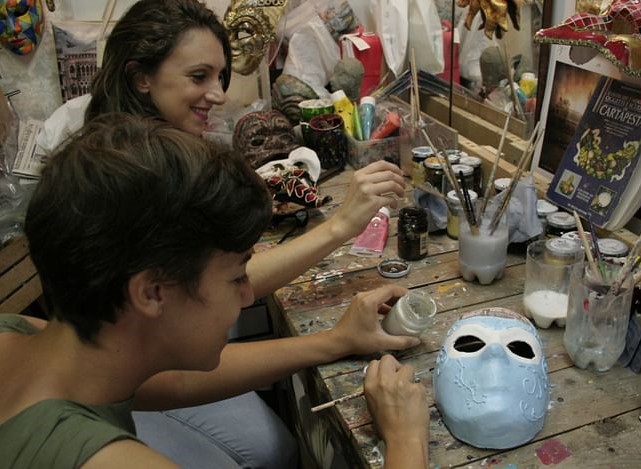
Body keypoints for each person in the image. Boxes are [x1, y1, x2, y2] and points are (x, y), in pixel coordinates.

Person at [66, 0, 410, 467]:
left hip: (151, 366)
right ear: (140, 76)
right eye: (198, 76)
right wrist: (334, 335)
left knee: (277, 447)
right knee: (268, 452)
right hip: (120, 390)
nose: (219, 94)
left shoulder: (157, 152)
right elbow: (158, 373)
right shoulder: (130, 182)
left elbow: (217, 287)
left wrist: (339, 233)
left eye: (221, 77)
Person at [0, 113, 428, 468]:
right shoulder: (107, 461)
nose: (247, 295)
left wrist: (336, 341)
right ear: (151, 293)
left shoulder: (26, 337)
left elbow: (171, 384)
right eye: (236, 277)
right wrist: (406, 440)